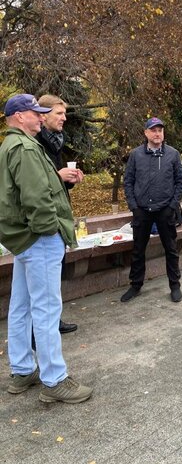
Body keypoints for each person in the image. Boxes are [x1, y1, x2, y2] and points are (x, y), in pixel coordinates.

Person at [0, 94, 92, 403]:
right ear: (18, 116)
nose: (41, 117)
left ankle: (23, 369)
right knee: (47, 308)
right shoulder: (25, 147)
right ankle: (54, 379)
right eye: (35, 113)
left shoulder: (11, 145)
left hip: (24, 240)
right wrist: (49, 231)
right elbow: (37, 198)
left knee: (22, 306)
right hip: (38, 240)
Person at [122, 117, 182, 303]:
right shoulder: (136, 155)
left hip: (165, 210)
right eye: (153, 130)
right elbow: (128, 181)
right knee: (138, 250)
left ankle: (175, 285)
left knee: (171, 249)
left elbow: (181, 182)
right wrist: (134, 206)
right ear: (146, 133)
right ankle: (135, 285)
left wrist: (172, 205)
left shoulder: (173, 154)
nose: (157, 134)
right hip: (142, 210)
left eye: (160, 130)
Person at [36, 94, 83, 334]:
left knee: (54, 277)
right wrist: (58, 176)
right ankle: (42, 330)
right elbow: (33, 183)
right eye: (59, 113)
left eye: (64, 113)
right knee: (43, 282)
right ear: (43, 116)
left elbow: (57, 181)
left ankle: (54, 320)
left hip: (57, 215)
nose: (64, 118)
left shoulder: (55, 141)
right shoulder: (36, 143)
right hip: (44, 221)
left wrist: (70, 179)